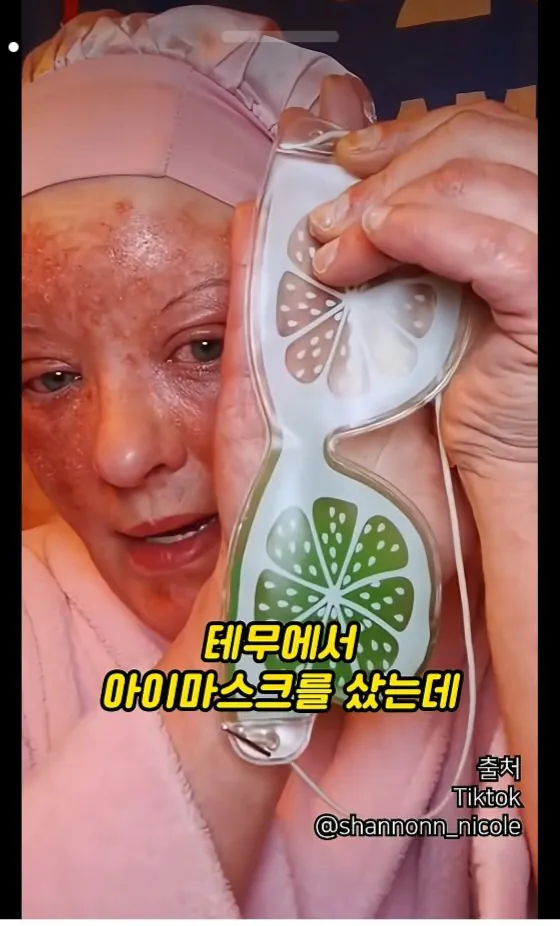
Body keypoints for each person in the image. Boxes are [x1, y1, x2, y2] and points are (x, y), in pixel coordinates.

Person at [22, 5, 537, 918]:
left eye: (206, 345)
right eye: (49, 377)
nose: (123, 453)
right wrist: (268, 625)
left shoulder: (498, 598)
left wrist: (516, 472)